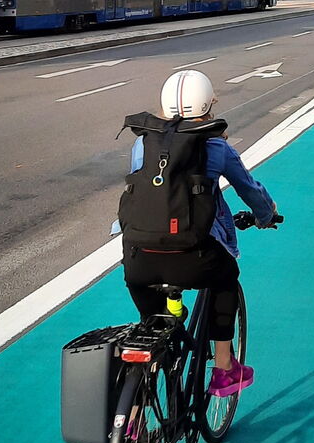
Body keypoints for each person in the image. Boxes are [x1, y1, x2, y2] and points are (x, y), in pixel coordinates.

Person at [115, 70, 277, 397]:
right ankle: (223, 369)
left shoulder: (142, 142)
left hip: (138, 261)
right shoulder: (215, 146)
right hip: (196, 257)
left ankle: (135, 415)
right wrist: (266, 215)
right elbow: (249, 190)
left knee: (152, 329)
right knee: (226, 278)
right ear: (206, 105)